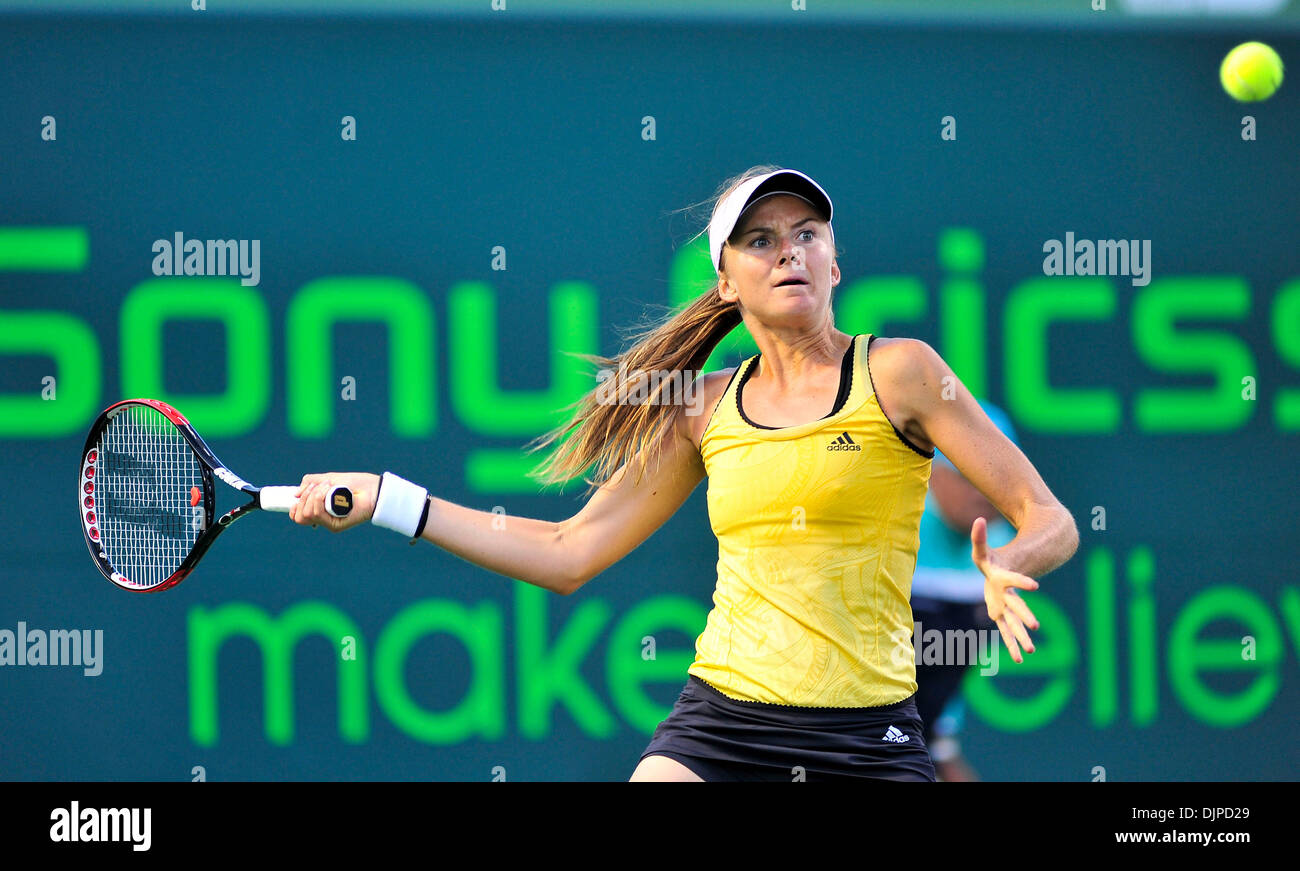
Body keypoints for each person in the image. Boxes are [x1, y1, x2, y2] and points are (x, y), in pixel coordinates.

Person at [288, 165, 1079, 781]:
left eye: (807, 233)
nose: (790, 252)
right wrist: (393, 500)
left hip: (867, 734)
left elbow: (1050, 516)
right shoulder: (700, 408)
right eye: (761, 241)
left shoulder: (902, 371)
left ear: (836, 263)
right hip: (722, 720)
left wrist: (1007, 564)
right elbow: (569, 550)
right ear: (728, 283)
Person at [910, 400, 1021, 782]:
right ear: (931, 470)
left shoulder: (1007, 548)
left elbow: (940, 693)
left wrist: (941, 750)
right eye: (967, 474)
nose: (985, 491)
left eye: (998, 476)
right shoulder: (888, 539)